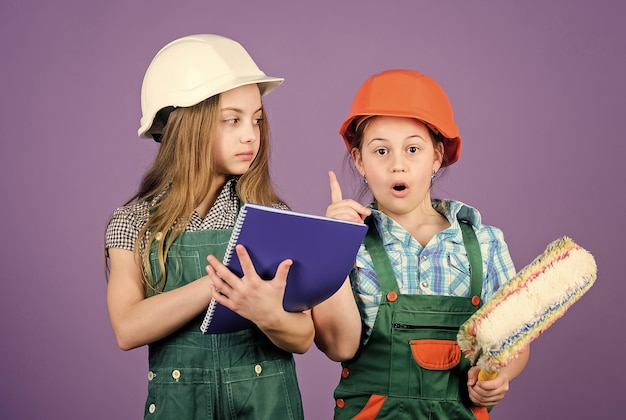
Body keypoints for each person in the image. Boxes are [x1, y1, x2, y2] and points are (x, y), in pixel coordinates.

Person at [105, 34, 313, 420]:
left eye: (256, 120)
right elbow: (127, 327)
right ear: (187, 125)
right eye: (232, 120)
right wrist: (222, 284)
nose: (251, 134)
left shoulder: (270, 214)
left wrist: (268, 314)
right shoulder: (133, 223)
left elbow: (303, 337)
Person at [312, 69, 530, 419]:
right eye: (380, 151)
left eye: (413, 149)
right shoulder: (347, 245)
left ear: (436, 157)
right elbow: (339, 346)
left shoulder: (485, 243)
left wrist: (500, 374)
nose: (397, 164)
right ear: (359, 162)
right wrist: (334, 248)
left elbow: (514, 341)